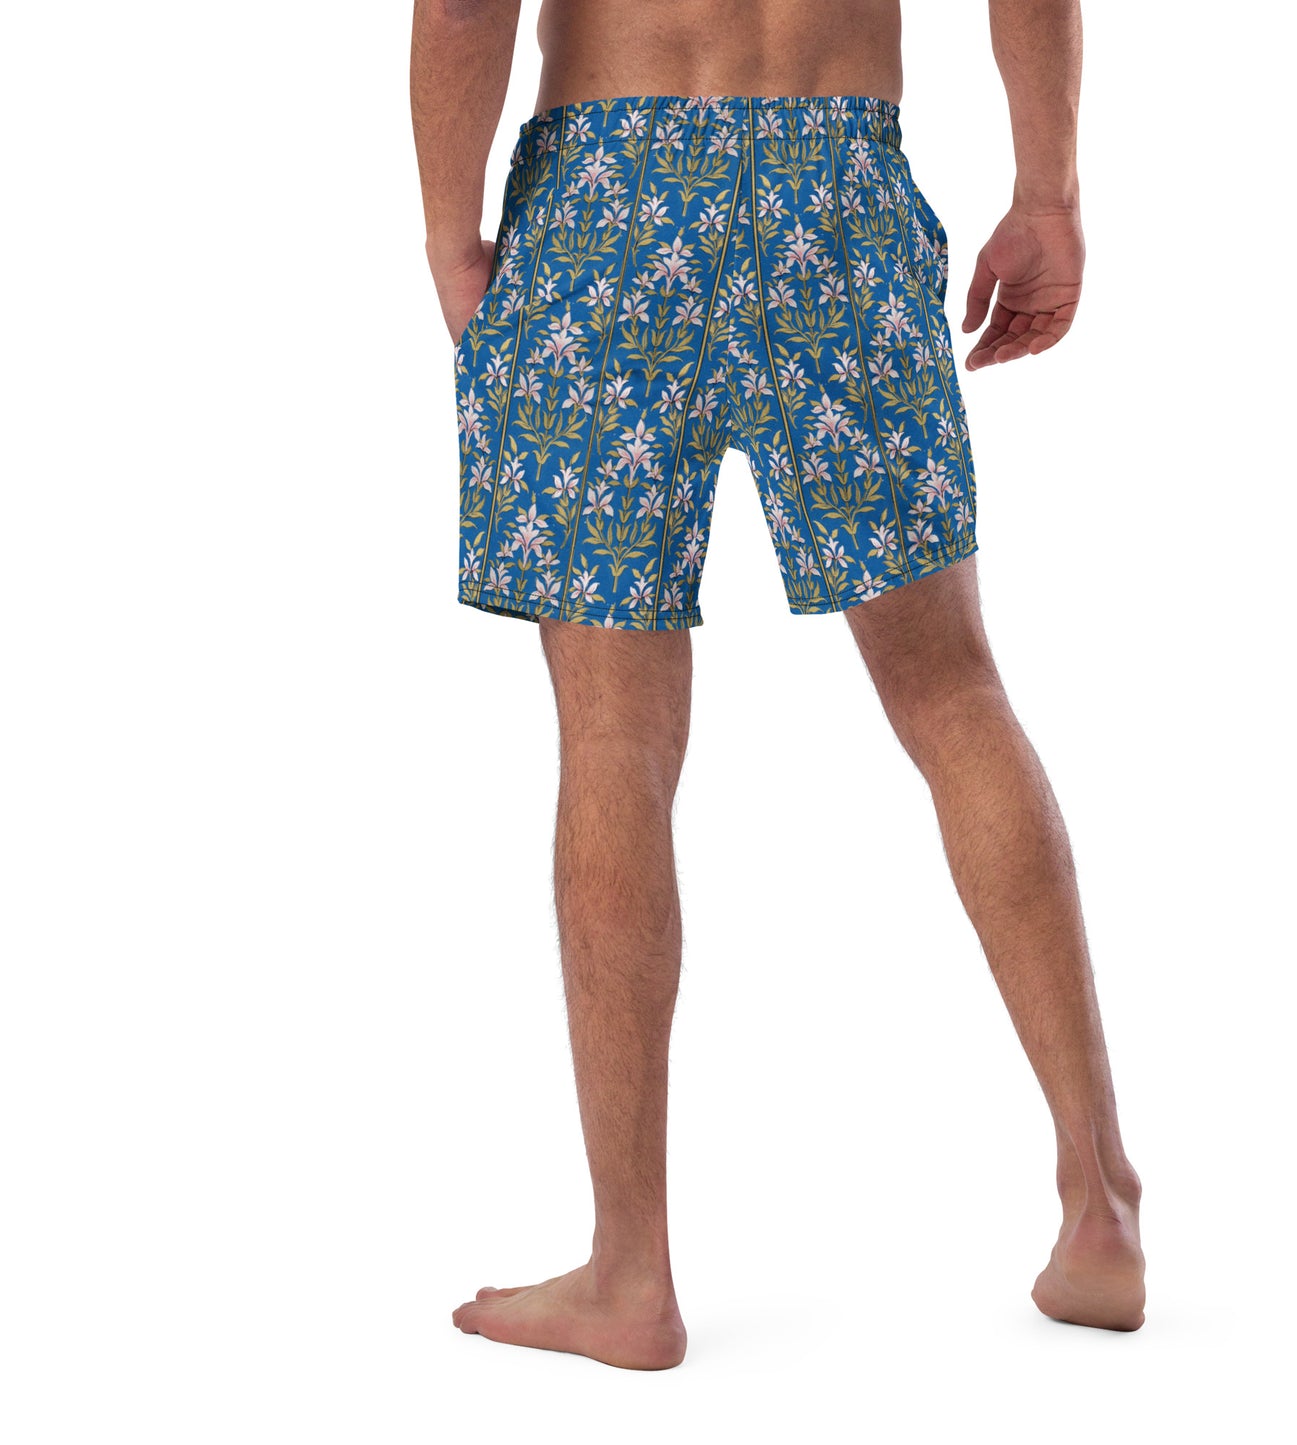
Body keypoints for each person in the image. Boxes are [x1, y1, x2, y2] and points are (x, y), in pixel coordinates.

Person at [411, 0, 1143, 1369]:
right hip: (836, 179)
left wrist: (452, 235)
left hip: (605, 202)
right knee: (950, 693)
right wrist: (1046, 186)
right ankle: (1097, 1200)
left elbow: (462, 6)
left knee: (614, 736)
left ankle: (630, 1270)